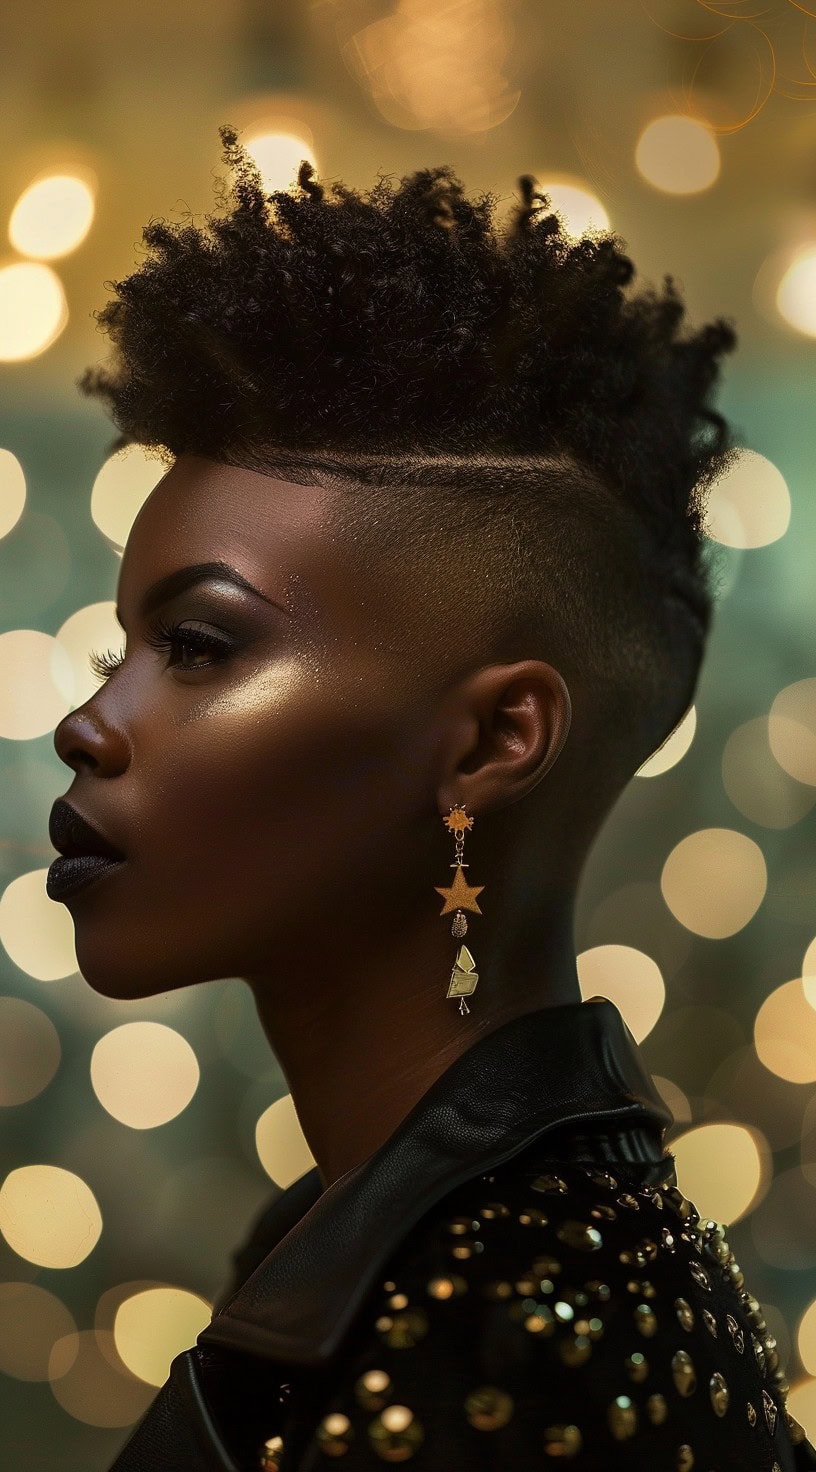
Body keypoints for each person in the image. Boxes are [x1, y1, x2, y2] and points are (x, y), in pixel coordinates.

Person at [46, 124, 816, 1470]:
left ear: (494, 742)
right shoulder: (446, 1257)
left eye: (203, 646)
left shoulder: (499, 1361)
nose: (89, 722)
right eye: (123, 647)